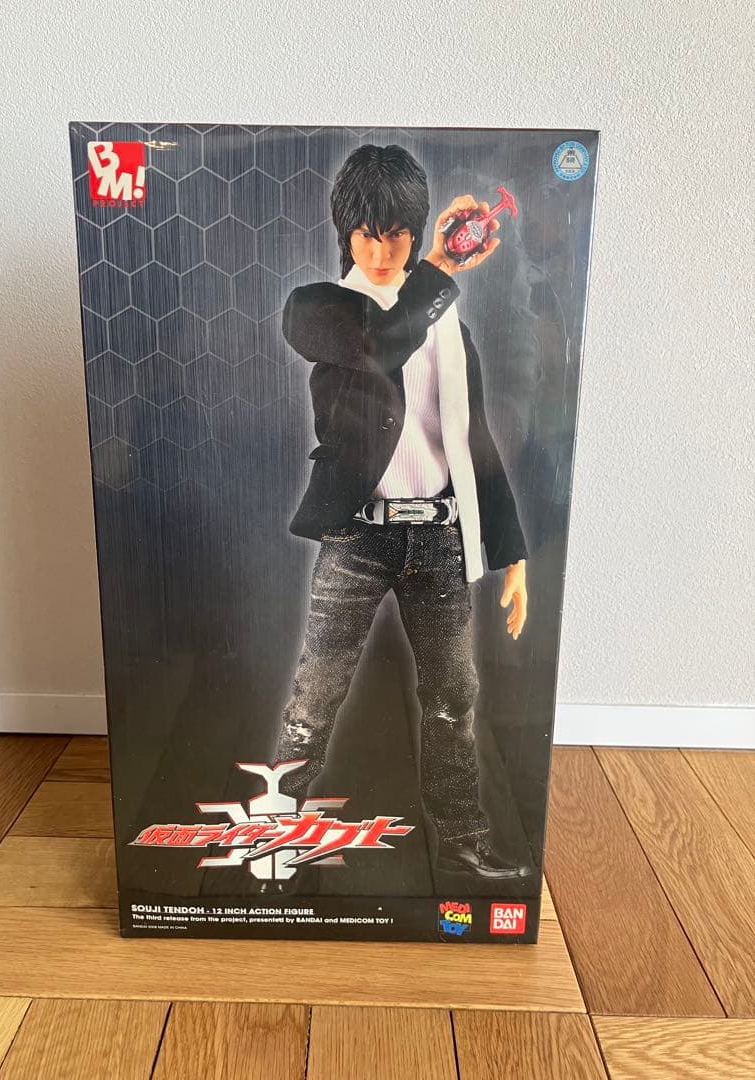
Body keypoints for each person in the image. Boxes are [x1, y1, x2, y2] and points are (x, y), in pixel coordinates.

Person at [275, 144, 529, 879]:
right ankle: (274, 836)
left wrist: (509, 550)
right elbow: (380, 344)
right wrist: (440, 269)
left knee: (454, 700)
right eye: (367, 234)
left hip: (439, 540)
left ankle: (462, 845)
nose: (382, 253)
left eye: (397, 236)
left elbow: (474, 439)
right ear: (345, 232)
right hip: (357, 538)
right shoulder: (318, 309)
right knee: (313, 698)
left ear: (415, 234)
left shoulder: (448, 324)